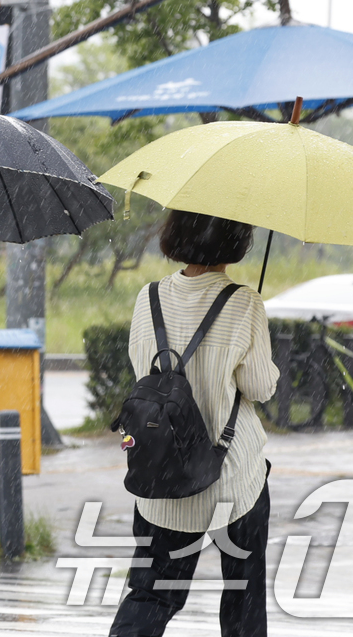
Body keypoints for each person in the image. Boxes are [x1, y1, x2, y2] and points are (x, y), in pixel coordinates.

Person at [110, 210, 278, 637]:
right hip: (230, 475)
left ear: (177, 233)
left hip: (162, 470)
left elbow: (143, 372)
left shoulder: (148, 297)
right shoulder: (245, 302)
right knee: (243, 595)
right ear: (237, 240)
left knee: (151, 594)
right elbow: (260, 387)